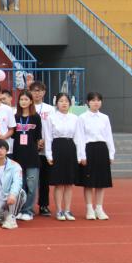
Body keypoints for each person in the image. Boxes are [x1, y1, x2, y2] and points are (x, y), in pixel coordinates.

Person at [76, 91, 114, 220]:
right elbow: (80, 137)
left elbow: (109, 136)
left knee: (101, 182)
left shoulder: (105, 118)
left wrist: (111, 154)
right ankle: (89, 208)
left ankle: (99, 208)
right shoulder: (82, 118)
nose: (96, 103)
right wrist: (81, 155)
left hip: (102, 149)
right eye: (93, 100)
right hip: (88, 149)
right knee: (88, 182)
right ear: (88, 102)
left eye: (98, 100)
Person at [45, 92, 81, 221]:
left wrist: (79, 155)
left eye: (66, 101)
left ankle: (68, 210)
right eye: (61, 101)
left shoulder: (75, 118)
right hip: (57, 148)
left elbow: (78, 138)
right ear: (56, 104)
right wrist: (49, 154)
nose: (64, 103)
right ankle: (59, 210)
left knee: (69, 183)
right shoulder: (51, 118)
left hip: (70, 148)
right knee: (59, 183)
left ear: (70, 103)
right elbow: (48, 137)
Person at [10, 91, 42, 221]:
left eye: (26, 99)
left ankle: (28, 210)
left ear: (31, 101)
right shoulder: (15, 117)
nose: (23, 102)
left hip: (32, 155)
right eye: (21, 99)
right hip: (18, 155)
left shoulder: (36, 117)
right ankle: (19, 209)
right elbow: (12, 135)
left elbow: (38, 136)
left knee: (32, 185)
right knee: (20, 185)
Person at [0, 139, 24, 229]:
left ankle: (11, 218)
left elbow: (17, 182)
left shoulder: (15, 166)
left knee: (20, 192)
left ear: (7, 151)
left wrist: (13, 194)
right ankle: (4, 216)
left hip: (10, 196)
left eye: (2, 148)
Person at [29, 81, 54, 217]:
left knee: (44, 180)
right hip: (30, 148)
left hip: (46, 148)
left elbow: (53, 127)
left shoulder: (50, 109)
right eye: (34, 90)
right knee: (30, 179)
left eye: (39, 90)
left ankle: (44, 205)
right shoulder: (26, 106)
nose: (37, 93)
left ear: (44, 92)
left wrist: (45, 141)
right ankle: (27, 205)